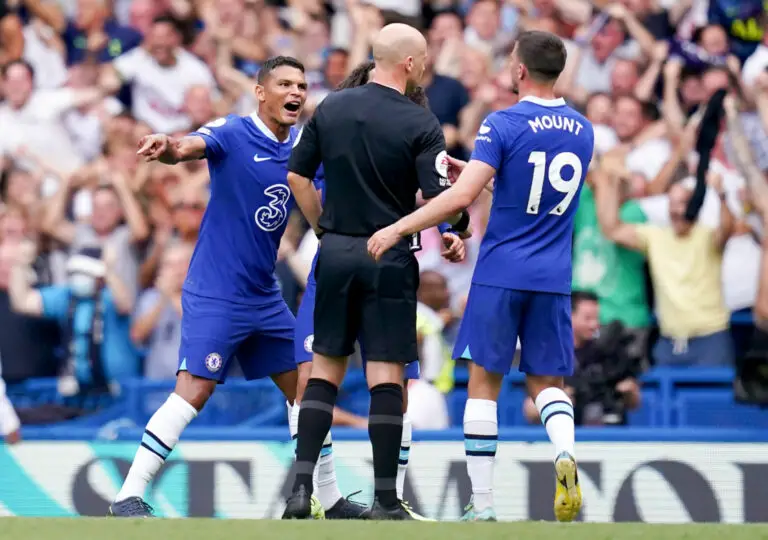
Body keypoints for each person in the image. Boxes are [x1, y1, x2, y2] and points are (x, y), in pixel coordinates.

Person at [368, 30, 595, 522]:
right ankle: (564, 451)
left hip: (500, 271)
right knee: (548, 383)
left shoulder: (503, 122)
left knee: (483, 384)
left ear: (520, 69)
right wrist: (484, 170)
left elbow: (459, 197)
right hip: (553, 275)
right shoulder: (583, 129)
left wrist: (400, 226)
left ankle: (484, 504)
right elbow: (535, 194)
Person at [108, 56, 311, 518]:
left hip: (264, 295)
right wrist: (168, 145)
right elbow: (188, 146)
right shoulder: (235, 131)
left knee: (307, 390)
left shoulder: (304, 147)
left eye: (301, 85)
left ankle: (322, 497)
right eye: (284, 84)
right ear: (260, 92)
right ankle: (127, 495)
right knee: (195, 390)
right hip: (217, 291)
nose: (295, 92)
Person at [283, 24, 470, 520]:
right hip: (389, 255)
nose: (425, 66)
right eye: (423, 58)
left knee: (324, 370)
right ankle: (386, 500)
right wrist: (459, 225)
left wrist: (323, 228)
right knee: (386, 377)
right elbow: (439, 197)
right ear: (408, 63)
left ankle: (300, 492)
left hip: (336, 252)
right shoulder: (420, 120)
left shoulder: (331, 107)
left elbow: (297, 176)